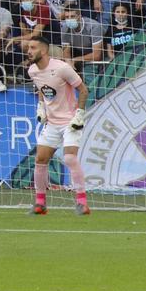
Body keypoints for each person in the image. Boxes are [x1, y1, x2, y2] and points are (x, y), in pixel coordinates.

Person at [27, 37, 91, 215]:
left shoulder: (62, 68)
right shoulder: (32, 71)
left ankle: (82, 202)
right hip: (52, 123)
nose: (29, 51)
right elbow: (42, 89)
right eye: (28, 48)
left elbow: (84, 90)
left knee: (70, 158)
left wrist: (79, 114)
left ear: (44, 50)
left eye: (33, 48)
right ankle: (40, 203)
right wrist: (41, 107)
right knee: (40, 160)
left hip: (70, 122)